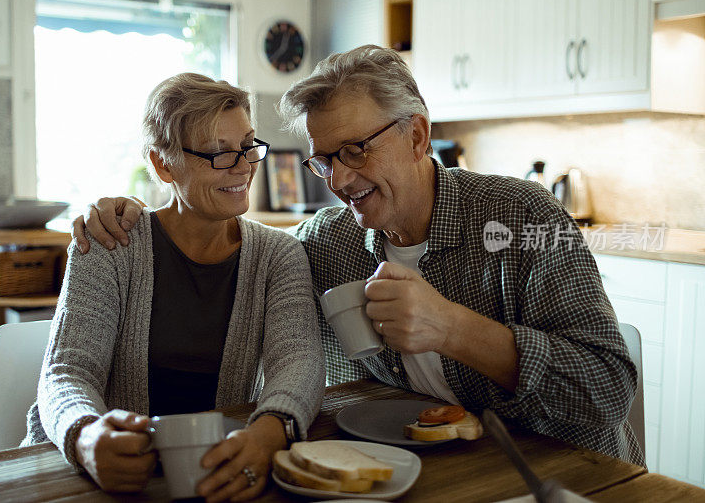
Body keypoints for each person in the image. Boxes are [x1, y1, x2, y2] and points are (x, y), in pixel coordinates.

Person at [72, 46, 643, 466]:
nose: (339, 180)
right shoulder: (327, 242)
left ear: (418, 137)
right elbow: (239, 265)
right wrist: (125, 212)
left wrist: (451, 327)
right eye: (324, 161)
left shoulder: (523, 216)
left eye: (355, 151)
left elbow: (609, 390)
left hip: (564, 470)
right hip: (425, 469)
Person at [23, 73, 325, 502]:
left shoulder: (278, 255)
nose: (242, 167)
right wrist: (86, 436)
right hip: (93, 473)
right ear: (162, 163)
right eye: (219, 154)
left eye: (247, 146)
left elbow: (299, 361)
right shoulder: (110, 243)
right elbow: (67, 372)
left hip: (213, 473)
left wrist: (269, 432)